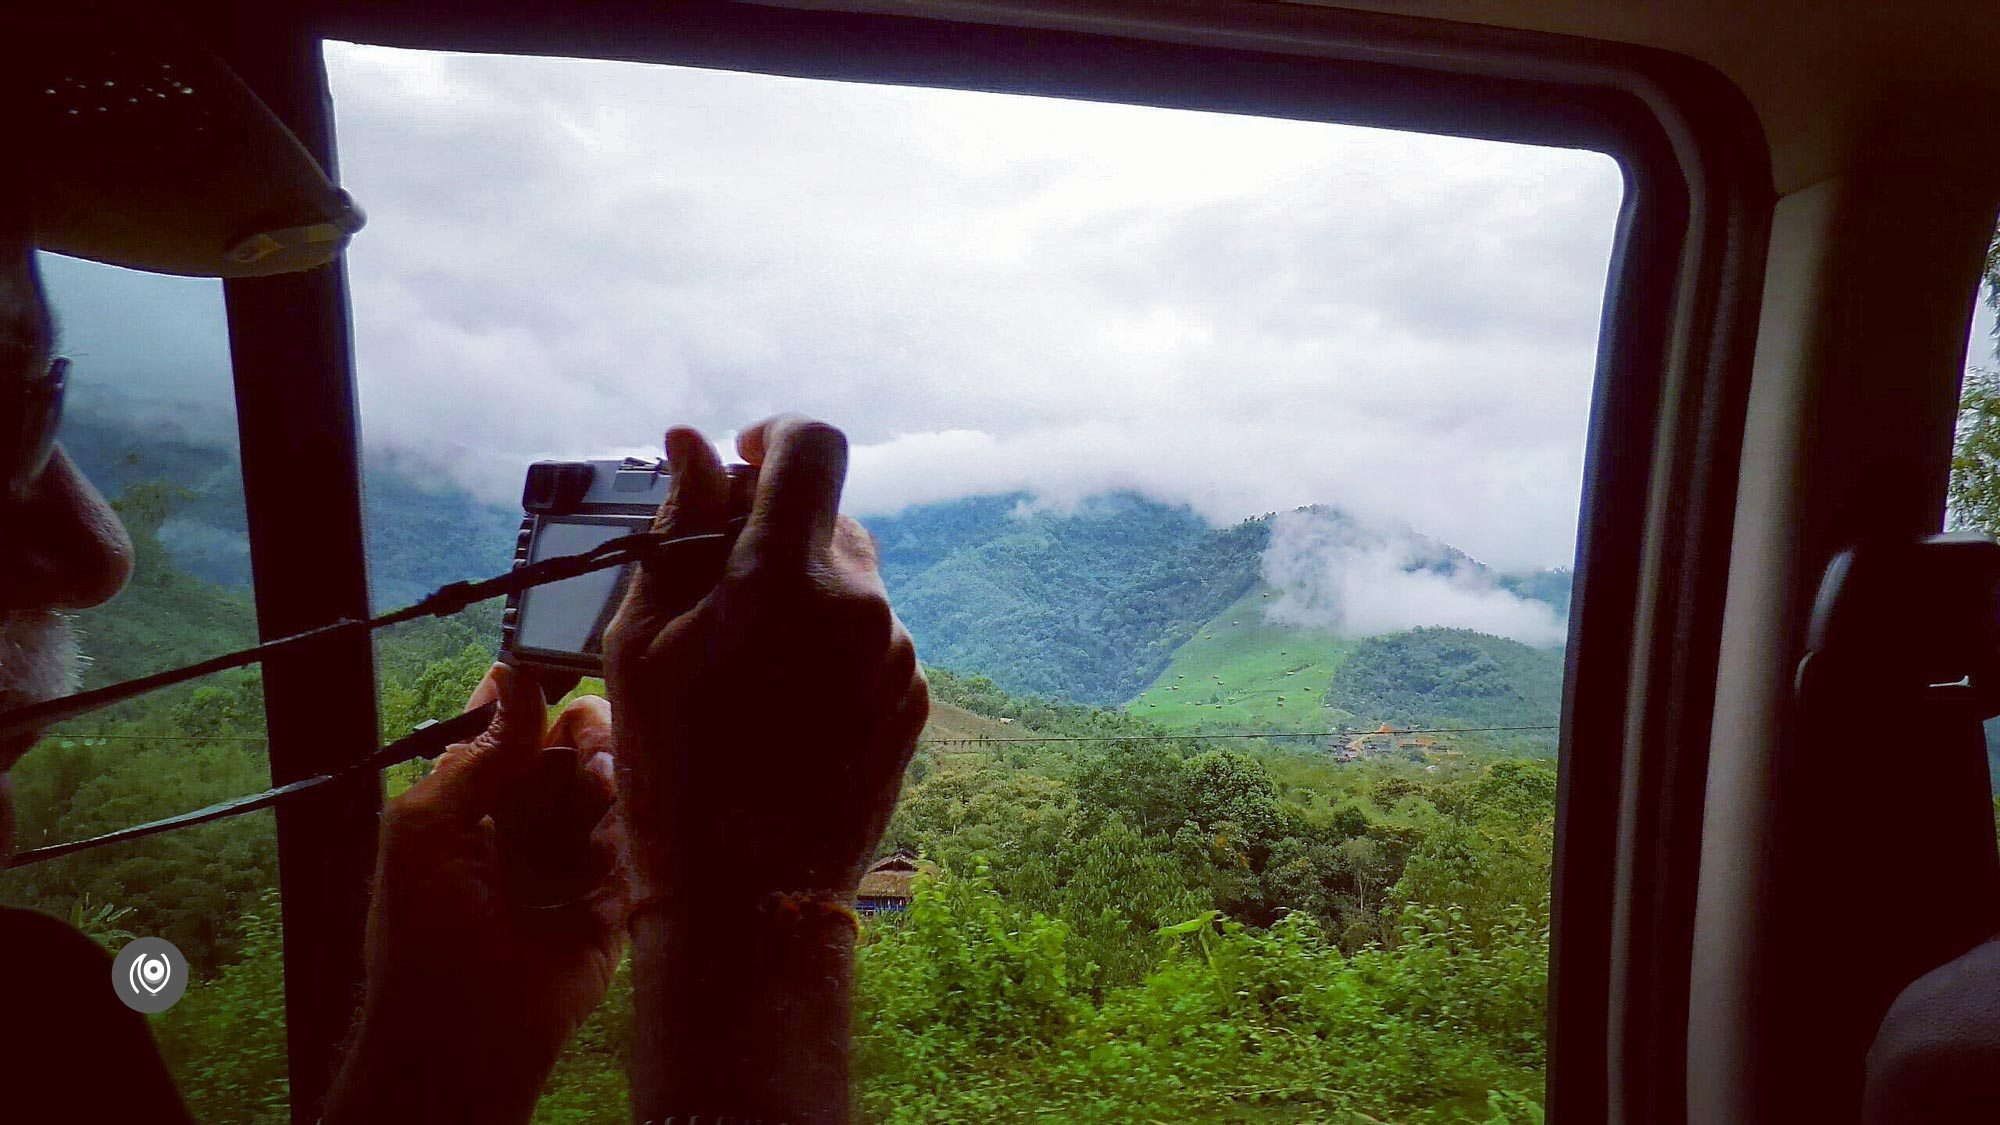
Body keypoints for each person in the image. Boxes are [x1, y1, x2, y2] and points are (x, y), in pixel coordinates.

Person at [1, 22, 927, 1125]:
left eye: (36, 402)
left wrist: (450, 1042)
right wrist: (743, 926)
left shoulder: (39, 1012)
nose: (100, 557)